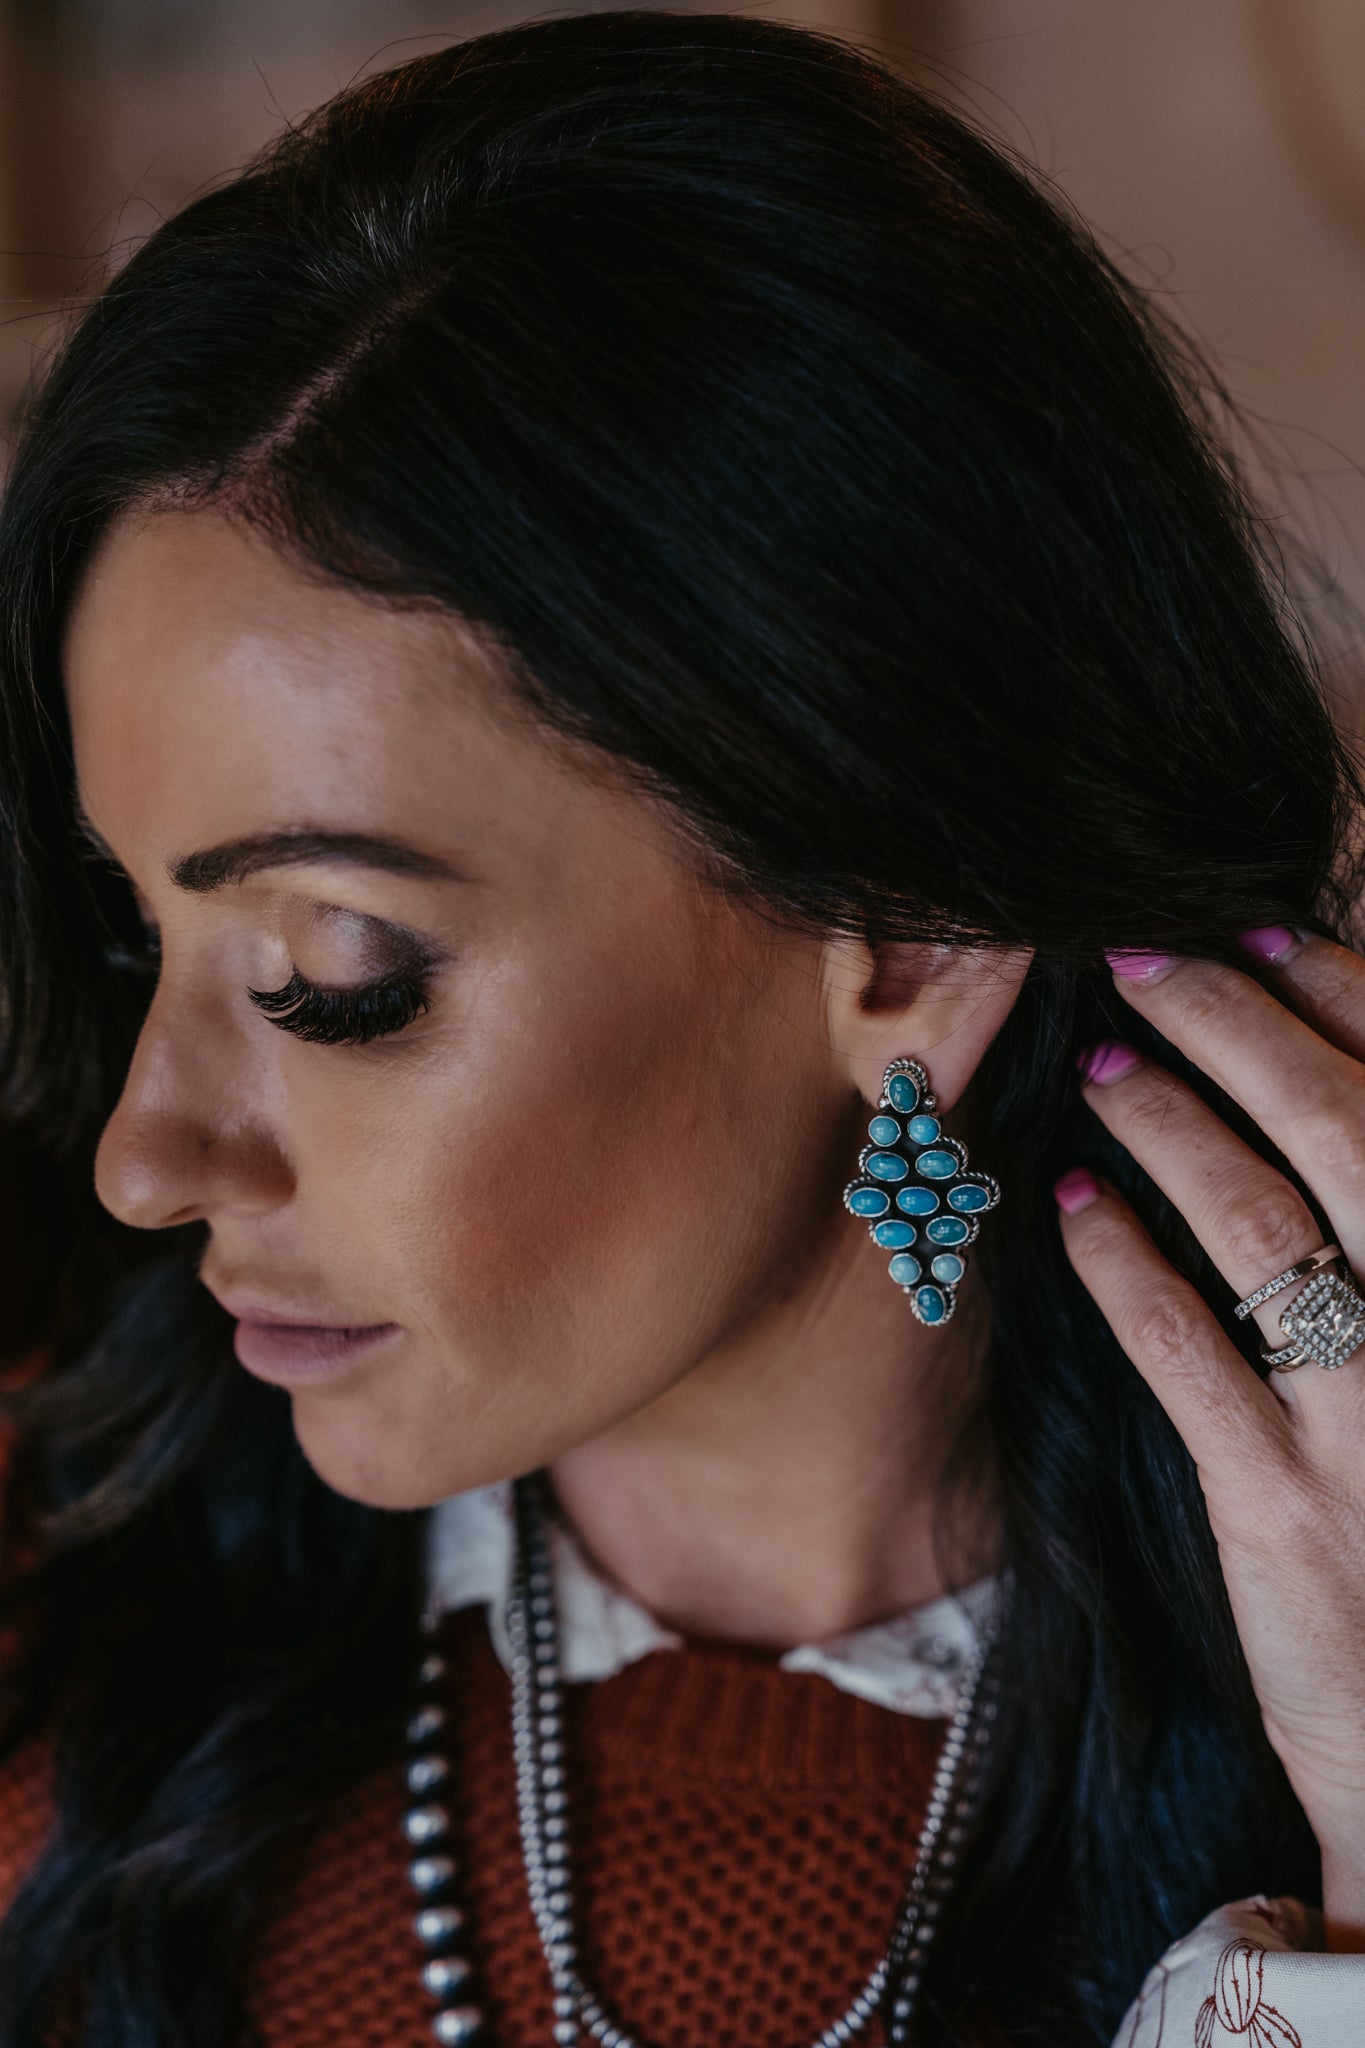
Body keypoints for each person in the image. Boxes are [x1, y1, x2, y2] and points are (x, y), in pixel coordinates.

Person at [1, 11, 1364, 2044]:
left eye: (331, 975)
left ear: (912, 941)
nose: (144, 1154)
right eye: (137, 938)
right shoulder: (58, 1652)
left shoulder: (1303, 1728)